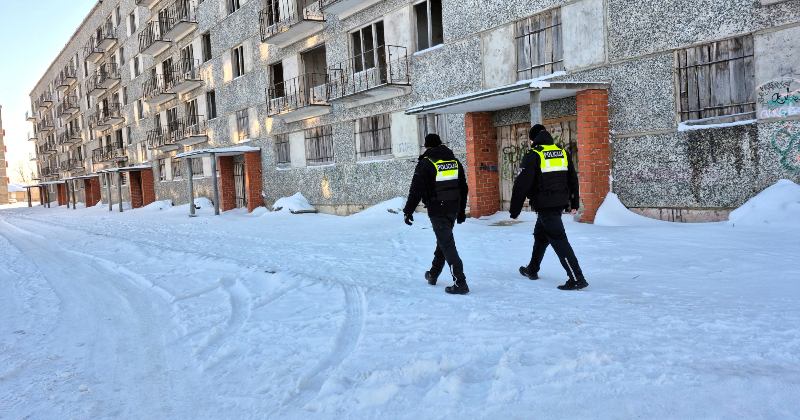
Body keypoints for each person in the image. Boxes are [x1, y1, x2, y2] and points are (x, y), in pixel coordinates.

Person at [509, 124, 588, 290]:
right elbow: (573, 179)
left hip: (545, 206)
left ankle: (577, 278)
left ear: (534, 139)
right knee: (541, 236)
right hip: (559, 203)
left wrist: (515, 210)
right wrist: (574, 203)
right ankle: (532, 269)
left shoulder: (533, 155)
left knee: (559, 241)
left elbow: (521, 185)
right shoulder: (562, 153)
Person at [403, 133, 470, 295]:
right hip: (452, 208)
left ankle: (460, 282)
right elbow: (463, 188)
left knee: (447, 244)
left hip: (438, 209)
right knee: (443, 241)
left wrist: (408, 211)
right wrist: (461, 211)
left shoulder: (426, 163)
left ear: (426, 147)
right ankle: (433, 274)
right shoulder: (454, 161)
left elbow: (416, 190)